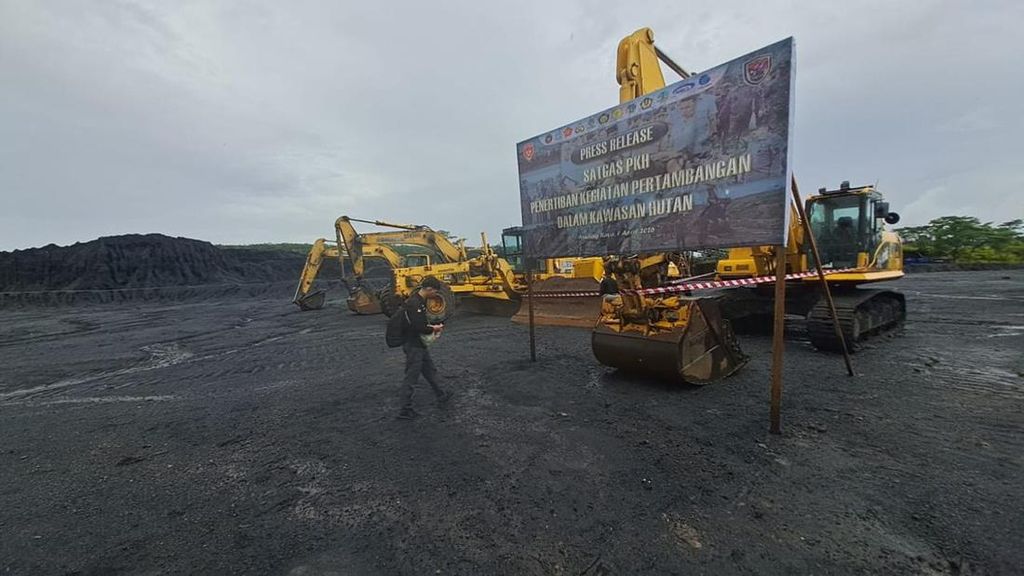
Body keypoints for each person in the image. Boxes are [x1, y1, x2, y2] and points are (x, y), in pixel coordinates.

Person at [397, 276, 451, 420]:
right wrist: (434, 328)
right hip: (414, 345)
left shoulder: (418, 301)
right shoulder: (414, 304)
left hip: (418, 344)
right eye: (435, 291)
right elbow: (418, 326)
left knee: (429, 370)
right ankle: (405, 409)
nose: (435, 295)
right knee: (411, 376)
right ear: (428, 289)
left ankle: (441, 394)